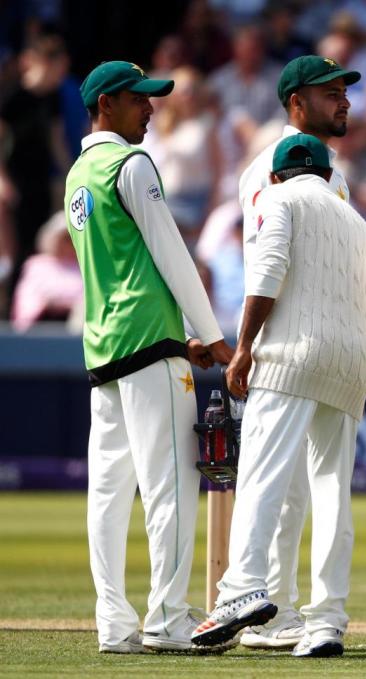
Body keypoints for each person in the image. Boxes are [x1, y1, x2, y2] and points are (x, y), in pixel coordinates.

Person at [192, 134, 366, 658]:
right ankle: (328, 621)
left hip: (290, 356)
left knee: (260, 474)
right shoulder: (361, 225)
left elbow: (268, 268)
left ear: (275, 176)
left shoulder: (277, 199)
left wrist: (244, 347)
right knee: (331, 493)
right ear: (325, 175)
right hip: (347, 365)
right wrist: (359, 367)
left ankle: (242, 590)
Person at [65, 61, 233, 654]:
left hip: (103, 347)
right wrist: (211, 333)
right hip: (148, 344)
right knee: (172, 486)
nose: (152, 108)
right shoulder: (130, 164)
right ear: (107, 104)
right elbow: (171, 252)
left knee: (107, 494)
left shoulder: (78, 173)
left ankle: (113, 623)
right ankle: (168, 621)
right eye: (140, 99)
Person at [234, 54, 360, 650]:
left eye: (344, 92)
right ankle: (288, 613)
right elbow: (266, 265)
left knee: (298, 487)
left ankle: (290, 612)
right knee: (293, 489)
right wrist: (252, 346)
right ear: (295, 103)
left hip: (301, 350)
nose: (344, 101)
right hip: (298, 347)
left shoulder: (328, 171)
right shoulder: (270, 170)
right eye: (330, 92)